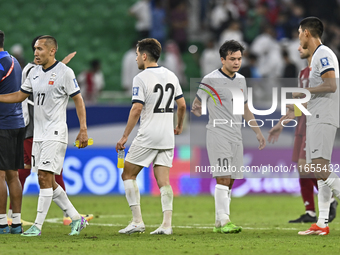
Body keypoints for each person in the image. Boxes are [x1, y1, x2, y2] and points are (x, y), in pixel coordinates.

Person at [0, 35, 89, 236]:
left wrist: (83, 129)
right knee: (50, 181)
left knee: (43, 177)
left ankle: (37, 226)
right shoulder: (33, 73)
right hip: (38, 133)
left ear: (52, 50)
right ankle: (76, 218)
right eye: (35, 49)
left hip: (55, 132)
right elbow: (19, 96)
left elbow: (79, 100)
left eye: (40, 49)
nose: (35, 52)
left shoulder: (65, 73)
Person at [191, 40, 266, 234]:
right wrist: (198, 109)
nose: (236, 62)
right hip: (218, 134)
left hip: (236, 135)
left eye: (239, 59)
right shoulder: (210, 79)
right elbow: (197, 104)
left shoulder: (241, 80)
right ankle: (225, 221)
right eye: (232, 59)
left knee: (231, 180)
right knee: (223, 178)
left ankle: (219, 221)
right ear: (222, 59)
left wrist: (257, 132)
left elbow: (245, 108)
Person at [116, 38, 186, 235]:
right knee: (163, 180)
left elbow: (137, 108)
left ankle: (137, 221)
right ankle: (166, 225)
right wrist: (179, 125)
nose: (136, 58)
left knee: (128, 174)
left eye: (138, 54)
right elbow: (182, 105)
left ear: (145, 56)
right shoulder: (171, 75)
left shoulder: (141, 78)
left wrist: (124, 137)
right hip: (167, 136)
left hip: (148, 134)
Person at [281, 17, 340, 236]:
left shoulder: (323, 54)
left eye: (298, 32)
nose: (298, 36)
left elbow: (331, 84)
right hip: (317, 116)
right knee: (320, 170)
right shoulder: (317, 57)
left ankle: (323, 221)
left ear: (306, 33)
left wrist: (304, 93)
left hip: (323, 117)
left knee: (319, 169)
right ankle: (322, 223)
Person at [268, 45, 338, 224]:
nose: (298, 48)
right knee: (302, 169)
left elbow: (319, 98)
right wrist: (280, 124)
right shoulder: (302, 73)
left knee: (308, 166)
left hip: (315, 121)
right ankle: (311, 212)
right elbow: (300, 103)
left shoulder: (321, 70)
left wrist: (296, 107)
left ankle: (330, 200)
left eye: (302, 45)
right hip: (302, 124)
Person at [0, 30, 25, 234]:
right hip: (17, 122)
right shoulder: (14, 61)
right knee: (13, 176)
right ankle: (16, 223)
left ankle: (1, 223)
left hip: (2, 124)